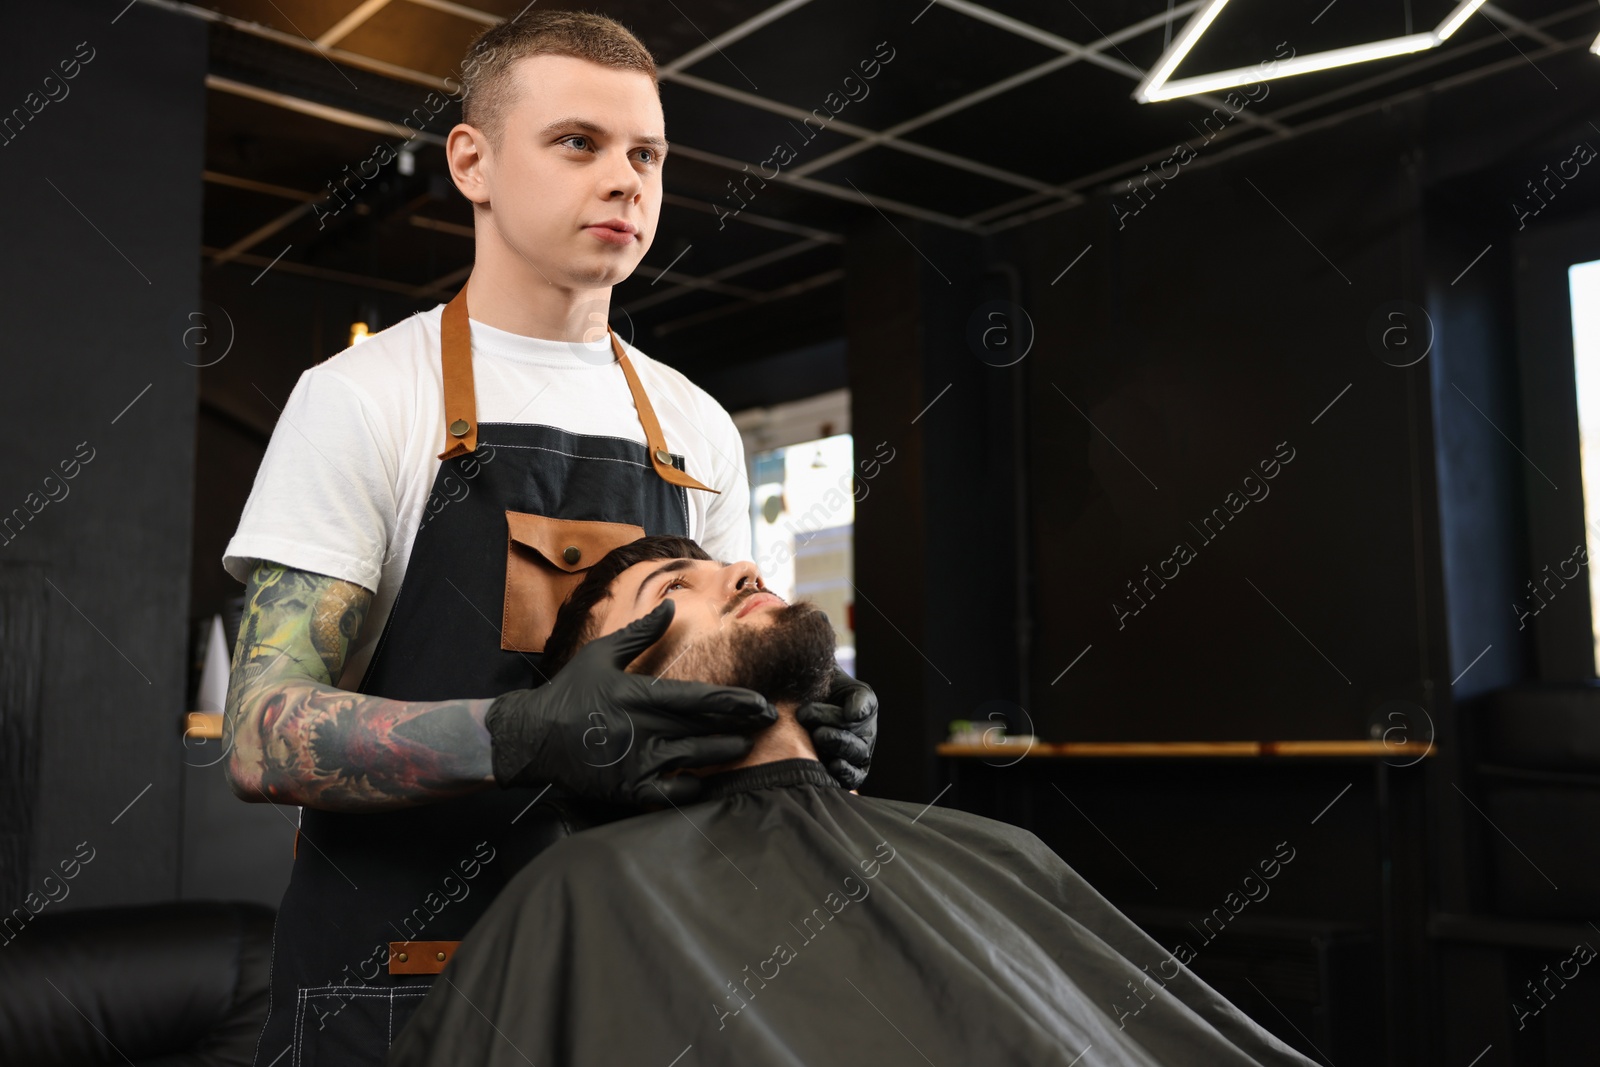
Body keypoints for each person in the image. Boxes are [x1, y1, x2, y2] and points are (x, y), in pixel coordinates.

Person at [218, 13, 876, 1067]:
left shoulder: (696, 425)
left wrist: (800, 719)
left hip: (636, 963)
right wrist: (522, 733)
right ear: (472, 162)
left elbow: (707, 684)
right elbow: (259, 736)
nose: (625, 180)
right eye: (578, 142)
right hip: (402, 985)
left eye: (645, 153)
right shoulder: (365, 397)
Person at [387, 536, 1318, 1067]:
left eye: (730, 566)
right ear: (614, 683)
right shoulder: (580, 901)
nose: (744, 571)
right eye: (675, 588)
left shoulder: (999, 851)